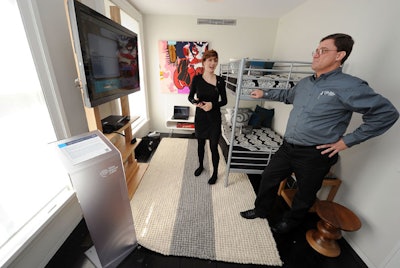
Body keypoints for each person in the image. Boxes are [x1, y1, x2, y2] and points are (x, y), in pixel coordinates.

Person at [240, 33, 399, 234]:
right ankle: (261, 210)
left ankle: (290, 222)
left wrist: (347, 141)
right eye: (316, 50)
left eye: (323, 51)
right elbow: (287, 96)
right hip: (288, 147)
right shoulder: (306, 83)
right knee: (268, 178)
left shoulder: (350, 85)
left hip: (315, 154)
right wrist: (265, 93)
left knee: (305, 193)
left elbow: (386, 113)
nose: (316, 54)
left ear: (339, 55)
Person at [188, 49, 227, 184]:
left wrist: (212, 104)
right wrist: (196, 103)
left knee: (213, 147)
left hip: (214, 119)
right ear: (204, 62)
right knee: (200, 144)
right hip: (201, 118)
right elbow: (190, 97)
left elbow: (224, 101)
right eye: (210, 60)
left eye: (215, 60)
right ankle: (200, 166)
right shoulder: (197, 79)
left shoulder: (220, 81)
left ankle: (215, 173)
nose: (213, 63)